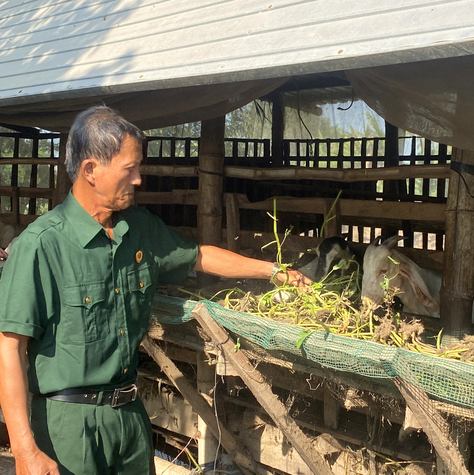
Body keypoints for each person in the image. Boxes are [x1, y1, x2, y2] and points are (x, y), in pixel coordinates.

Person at [0, 106, 311, 475]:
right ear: (90, 171)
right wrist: (23, 449)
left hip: (129, 418)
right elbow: (9, 347)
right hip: (67, 424)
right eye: (129, 169)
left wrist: (276, 272)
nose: (139, 180)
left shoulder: (141, 229)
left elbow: (200, 257)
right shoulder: (41, 245)